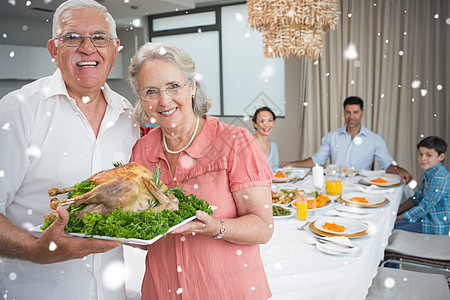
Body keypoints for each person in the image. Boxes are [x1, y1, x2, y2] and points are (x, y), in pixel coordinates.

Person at [0, 0, 140, 299]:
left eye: (99, 38)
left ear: (115, 49)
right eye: (72, 37)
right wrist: (36, 250)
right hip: (38, 290)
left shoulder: (127, 115)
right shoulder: (19, 109)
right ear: (54, 50)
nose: (88, 48)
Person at [129, 42, 274, 299]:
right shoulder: (142, 150)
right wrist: (111, 232)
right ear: (141, 98)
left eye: (174, 86)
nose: (164, 101)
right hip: (162, 291)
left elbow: (263, 227)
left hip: (227, 292)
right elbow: (146, 234)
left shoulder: (235, 142)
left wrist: (215, 227)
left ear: (192, 87)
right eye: (151, 91)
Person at [281, 96, 412, 182]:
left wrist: (400, 170)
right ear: (344, 113)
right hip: (335, 184)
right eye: (348, 112)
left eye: (355, 112)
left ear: (362, 113)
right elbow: (316, 160)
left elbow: (387, 164)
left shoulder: (374, 140)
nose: (351, 116)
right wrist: (292, 164)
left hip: (361, 186)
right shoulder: (332, 137)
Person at [395, 136, 449, 234]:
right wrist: (396, 210)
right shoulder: (430, 173)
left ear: (441, 157)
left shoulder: (439, 178)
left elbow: (424, 207)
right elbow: (417, 198)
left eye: (429, 155)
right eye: (421, 154)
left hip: (433, 223)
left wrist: (395, 218)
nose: (423, 159)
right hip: (425, 217)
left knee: (391, 228)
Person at [252, 106, 279, 171]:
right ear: (255, 124)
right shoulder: (248, 144)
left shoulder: (273, 146)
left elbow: (275, 171)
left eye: (270, 120)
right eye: (262, 121)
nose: (266, 125)